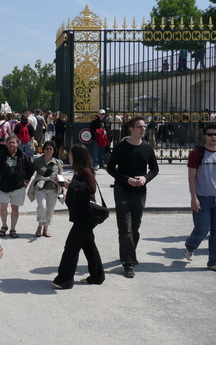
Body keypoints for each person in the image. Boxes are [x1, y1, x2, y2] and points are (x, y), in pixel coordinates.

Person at [107, 116, 159, 278]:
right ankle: (128, 263)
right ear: (131, 129)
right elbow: (110, 168)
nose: (143, 129)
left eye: (144, 127)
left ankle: (129, 254)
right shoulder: (121, 147)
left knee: (135, 227)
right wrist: (126, 178)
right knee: (125, 228)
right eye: (140, 127)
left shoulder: (147, 149)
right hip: (122, 190)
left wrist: (145, 178)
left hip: (140, 192)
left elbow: (154, 169)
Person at [52, 144, 105, 289]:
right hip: (82, 213)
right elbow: (78, 187)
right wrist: (65, 185)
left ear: (77, 156)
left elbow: (91, 189)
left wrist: (71, 185)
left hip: (86, 215)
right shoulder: (79, 171)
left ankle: (65, 280)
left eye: (71, 154)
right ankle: (97, 276)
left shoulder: (86, 171)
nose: (69, 155)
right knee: (89, 246)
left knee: (71, 247)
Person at [183, 123, 216, 270]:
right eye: (210, 134)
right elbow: (191, 178)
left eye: (215, 134)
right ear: (204, 136)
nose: (213, 137)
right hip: (203, 198)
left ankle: (213, 262)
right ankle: (190, 246)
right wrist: (193, 197)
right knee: (203, 228)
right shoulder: (197, 153)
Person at [0, 135, 34, 239]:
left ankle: (13, 229)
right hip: (4, 187)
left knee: (15, 209)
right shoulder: (1, 156)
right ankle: (4, 226)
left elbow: (30, 168)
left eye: (14, 142)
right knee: (3, 208)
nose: (12, 145)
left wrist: (27, 179)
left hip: (18, 187)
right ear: (6, 144)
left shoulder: (24, 156)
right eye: (9, 143)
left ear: (17, 144)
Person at [29, 141, 64, 237]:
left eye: (51, 149)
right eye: (47, 148)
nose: (48, 150)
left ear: (53, 151)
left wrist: (63, 189)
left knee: (50, 210)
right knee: (42, 206)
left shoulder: (57, 162)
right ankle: (40, 226)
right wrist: (26, 181)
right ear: (44, 150)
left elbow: (61, 177)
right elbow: (30, 173)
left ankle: (46, 228)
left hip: (52, 189)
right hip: (40, 188)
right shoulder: (38, 161)